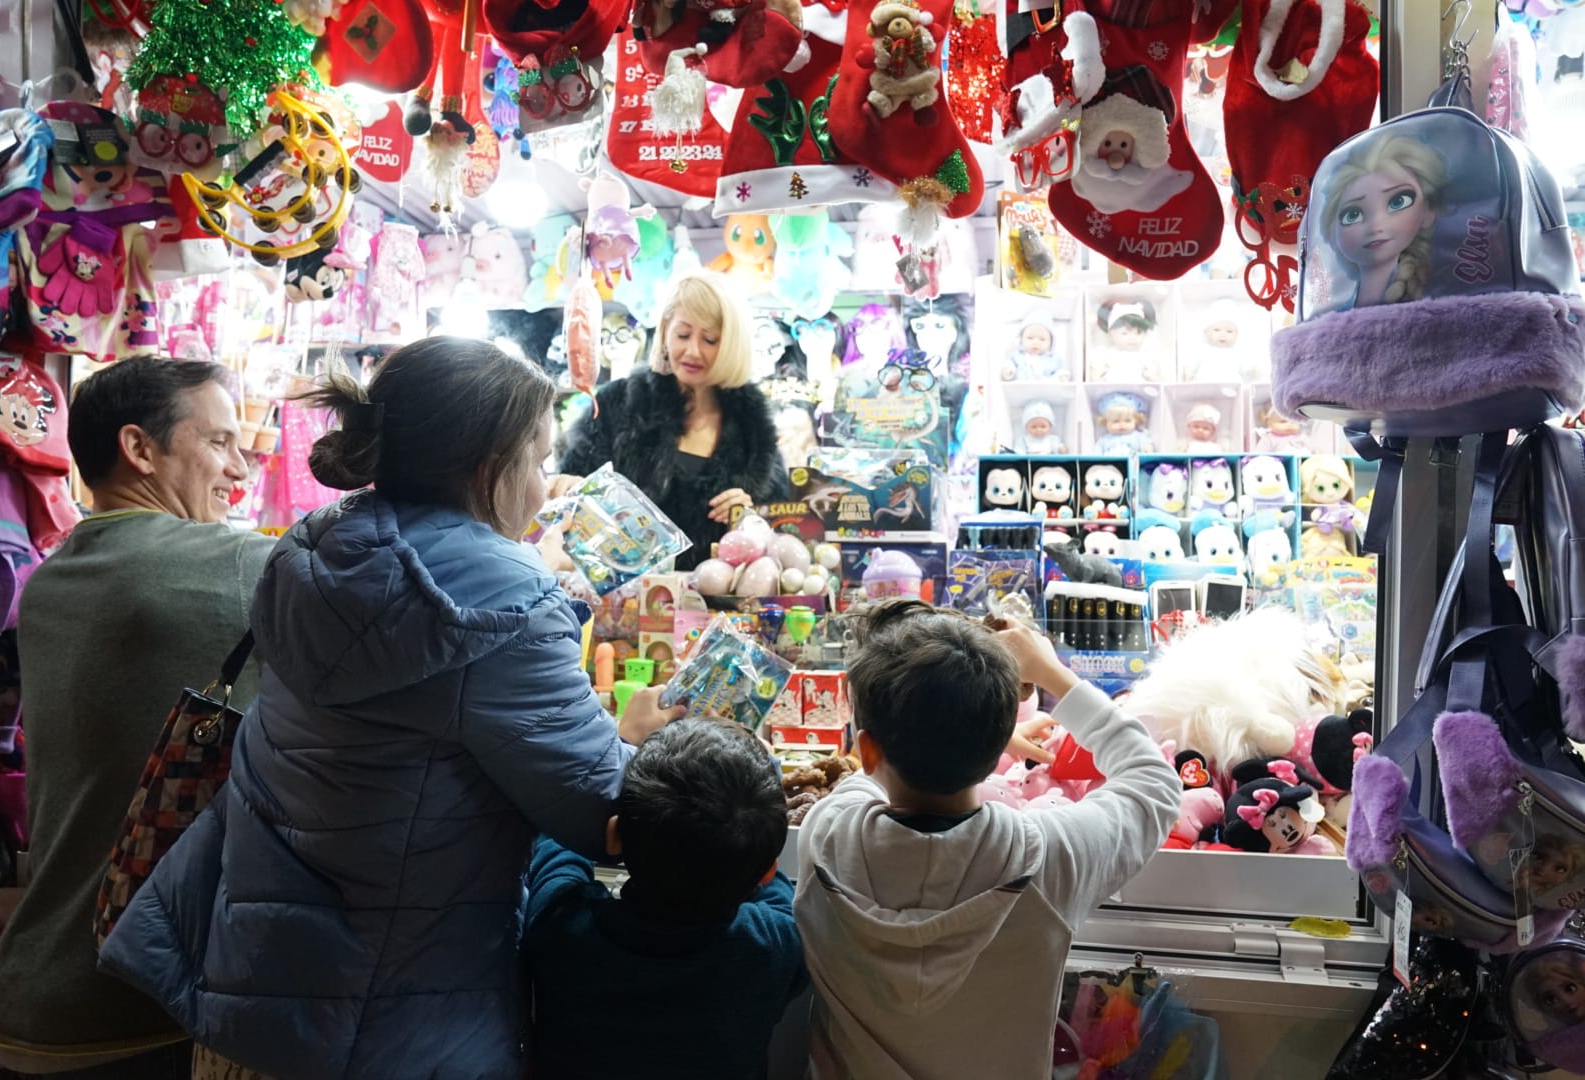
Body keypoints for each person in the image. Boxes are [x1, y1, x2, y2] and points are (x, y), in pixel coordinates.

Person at [97, 337, 682, 1080]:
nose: (545, 487)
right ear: (486, 468)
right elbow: (603, 813)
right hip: (391, 1025)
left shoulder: (314, 548)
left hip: (251, 1005)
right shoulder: (507, 603)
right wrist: (630, 743)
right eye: (537, 461)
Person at [0, 358, 271, 1078]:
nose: (239, 469)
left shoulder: (56, 575)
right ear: (139, 449)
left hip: (38, 984)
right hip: (131, 1006)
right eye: (219, 443)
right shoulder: (225, 564)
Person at [794, 600, 1180, 1079]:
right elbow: (1154, 782)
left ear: (867, 748)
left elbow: (870, 772)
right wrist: (1053, 674)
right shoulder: (1047, 857)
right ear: (998, 746)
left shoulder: (827, 834)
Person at [523, 719, 806, 1079]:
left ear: (614, 837)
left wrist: (622, 740)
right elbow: (778, 890)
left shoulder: (561, 925)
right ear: (766, 871)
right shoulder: (770, 945)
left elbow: (558, 837)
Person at [558, 272, 787, 570]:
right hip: (625, 604)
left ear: (731, 344)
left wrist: (749, 516)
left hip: (720, 606)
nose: (692, 351)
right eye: (682, 335)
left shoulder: (754, 429)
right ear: (665, 332)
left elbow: (784, 525)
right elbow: (570, 498)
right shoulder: (619, 405)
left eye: (710, 339)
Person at [1319, 133, 1448, 309]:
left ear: (1428, 211)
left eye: (1398, 202)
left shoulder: (1439, 304)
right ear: (1332, 228)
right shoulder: (1330, 313)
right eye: (1353, 214)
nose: (1375, 226)